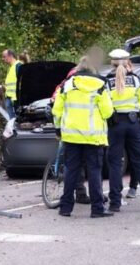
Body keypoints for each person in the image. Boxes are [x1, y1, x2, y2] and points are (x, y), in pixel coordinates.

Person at [52, 55, 114, 218]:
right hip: (93, 137)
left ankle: (65, 208)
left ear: (78, 68)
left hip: (71, 136)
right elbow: (107, 111)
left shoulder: (67, 85)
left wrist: (58, 128)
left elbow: (57, 110)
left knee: (71, 171)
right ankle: (97, 209)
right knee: (94, 172)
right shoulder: (100, 85)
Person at [106, 49, 140, 212]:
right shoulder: (136, 80)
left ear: (112, 63)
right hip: (134, 123)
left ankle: (115, 202)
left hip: (114, 125)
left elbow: (104, 106)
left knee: (115, 164)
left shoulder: (106, 82)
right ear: (128, 61)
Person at [0, 49, 22, 119]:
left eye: (4, 56)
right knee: (13, 121)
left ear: (10, 56)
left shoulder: (18, 66)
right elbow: (11, 84)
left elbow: (22, 83)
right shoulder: (11, 67)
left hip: (16, 99)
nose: (3, 59)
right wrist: (2, 87)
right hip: (10, 98)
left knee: (17, 120)